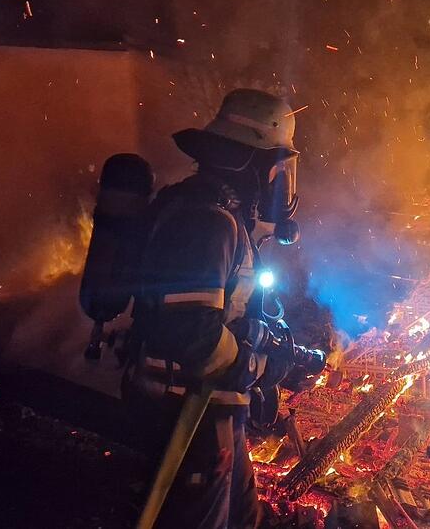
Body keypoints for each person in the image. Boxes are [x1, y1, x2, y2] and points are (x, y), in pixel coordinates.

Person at [125, 89, 306, 529]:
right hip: (187, 415)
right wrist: (257, 365)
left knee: (244, 517)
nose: (278, 178)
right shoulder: (209, 222)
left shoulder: (210, 210)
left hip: (211, 409)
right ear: (253, 161)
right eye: (275, 165)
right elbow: (193, 331)